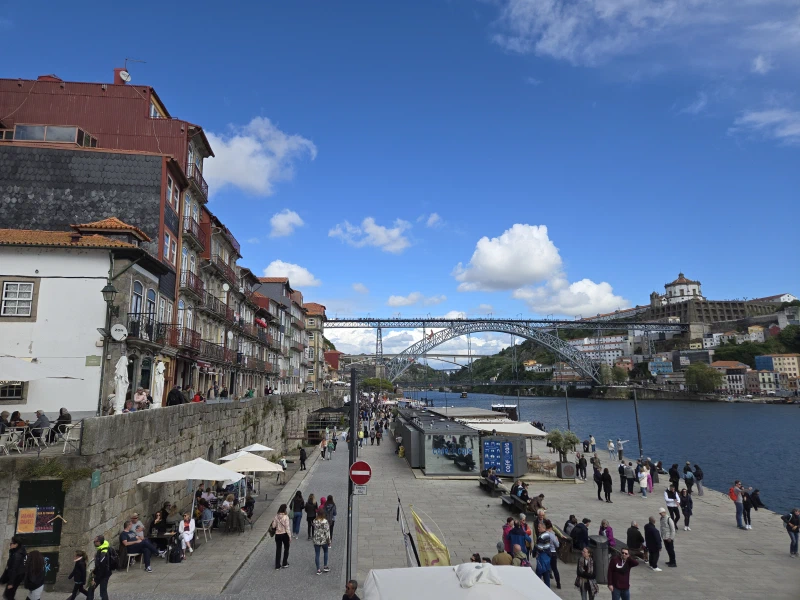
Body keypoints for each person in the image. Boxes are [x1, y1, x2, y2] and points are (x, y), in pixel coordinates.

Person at [1, 536, 26, 600]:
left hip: (16, 576)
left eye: (11, 543)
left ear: (16, 544)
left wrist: (11, 583)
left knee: (8, 595)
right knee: (8, 594)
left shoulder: (17, 555)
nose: (10, 544)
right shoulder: (16, 551)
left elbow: (14, 569)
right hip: (17, 575)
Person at [88, 536, 111, 600]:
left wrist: (95, 577)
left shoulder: (103, 552)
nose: (94, 542)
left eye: (95, 541)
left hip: (103, 574)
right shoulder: (102, 548)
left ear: (99, 542)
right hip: (103, 573)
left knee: (102, 591)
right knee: (92, 589)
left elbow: (101, 565)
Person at [312, 507, 331, 575]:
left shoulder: (314, 521)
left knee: (317, 554)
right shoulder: (325, 521)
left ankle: (318, 569)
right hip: (324, 540)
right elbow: (327, 532)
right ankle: (325, 566)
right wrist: (329, 541)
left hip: (316, 540)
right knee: (325, 552)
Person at [271, 504, 291, 570]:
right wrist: (290, 536)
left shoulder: (276, 516)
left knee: (278, 549)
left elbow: (273, 526)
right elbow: (287, 528)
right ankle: (284, 563)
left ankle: (277, 565)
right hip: (284, 534)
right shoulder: (286, 517)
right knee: (286, 548)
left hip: (278, 534)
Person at [544, 519, 561, 589]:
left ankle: (547, 583)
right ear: (550, 528)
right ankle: (558, 583)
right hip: (553, 553)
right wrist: (557, 540)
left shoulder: (543, 534)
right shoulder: (552, 535)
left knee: (547, 568)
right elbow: (557, 545)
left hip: (546, 552)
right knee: (555, 569)